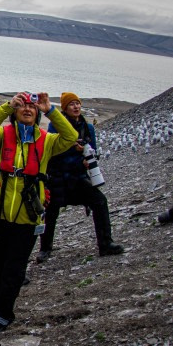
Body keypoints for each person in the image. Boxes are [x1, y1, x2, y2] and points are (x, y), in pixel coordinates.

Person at [0, 92, 77, 334]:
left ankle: (4, 314)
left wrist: (51, 109)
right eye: (23, 107)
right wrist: (6, 106)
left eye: (33, 108)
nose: (28, 110)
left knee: (14, 266)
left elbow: (71, 136)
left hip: (28, 214)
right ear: (15, 113)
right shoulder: (3, 135)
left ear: (38, 113)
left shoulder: (47, 140)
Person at [38, 92, 123, 262]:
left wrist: (88, 160)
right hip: (58, 177)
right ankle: (45, 249)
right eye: (71, 104)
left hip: (78, 178)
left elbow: (93, 151)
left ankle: (106, 244)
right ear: (64, 108)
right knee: (51, 212)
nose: (76, 107)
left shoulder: (88, 127)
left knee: (99, 201)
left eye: (77, 103)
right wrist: (73, 149)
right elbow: (53, 149)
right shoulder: (56, 125)